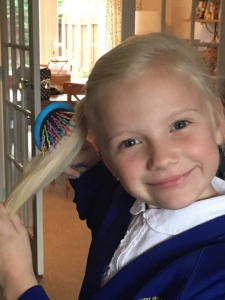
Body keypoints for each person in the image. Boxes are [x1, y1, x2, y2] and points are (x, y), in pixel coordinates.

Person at [1, 32, 225, 300]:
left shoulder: (215, 278)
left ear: (218, 121)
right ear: (108, 157)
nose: (162, 158)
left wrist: (19, 284)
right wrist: (89, 166)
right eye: (129, 142)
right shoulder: (133, 200)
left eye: (179, 125)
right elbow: (109, 215)